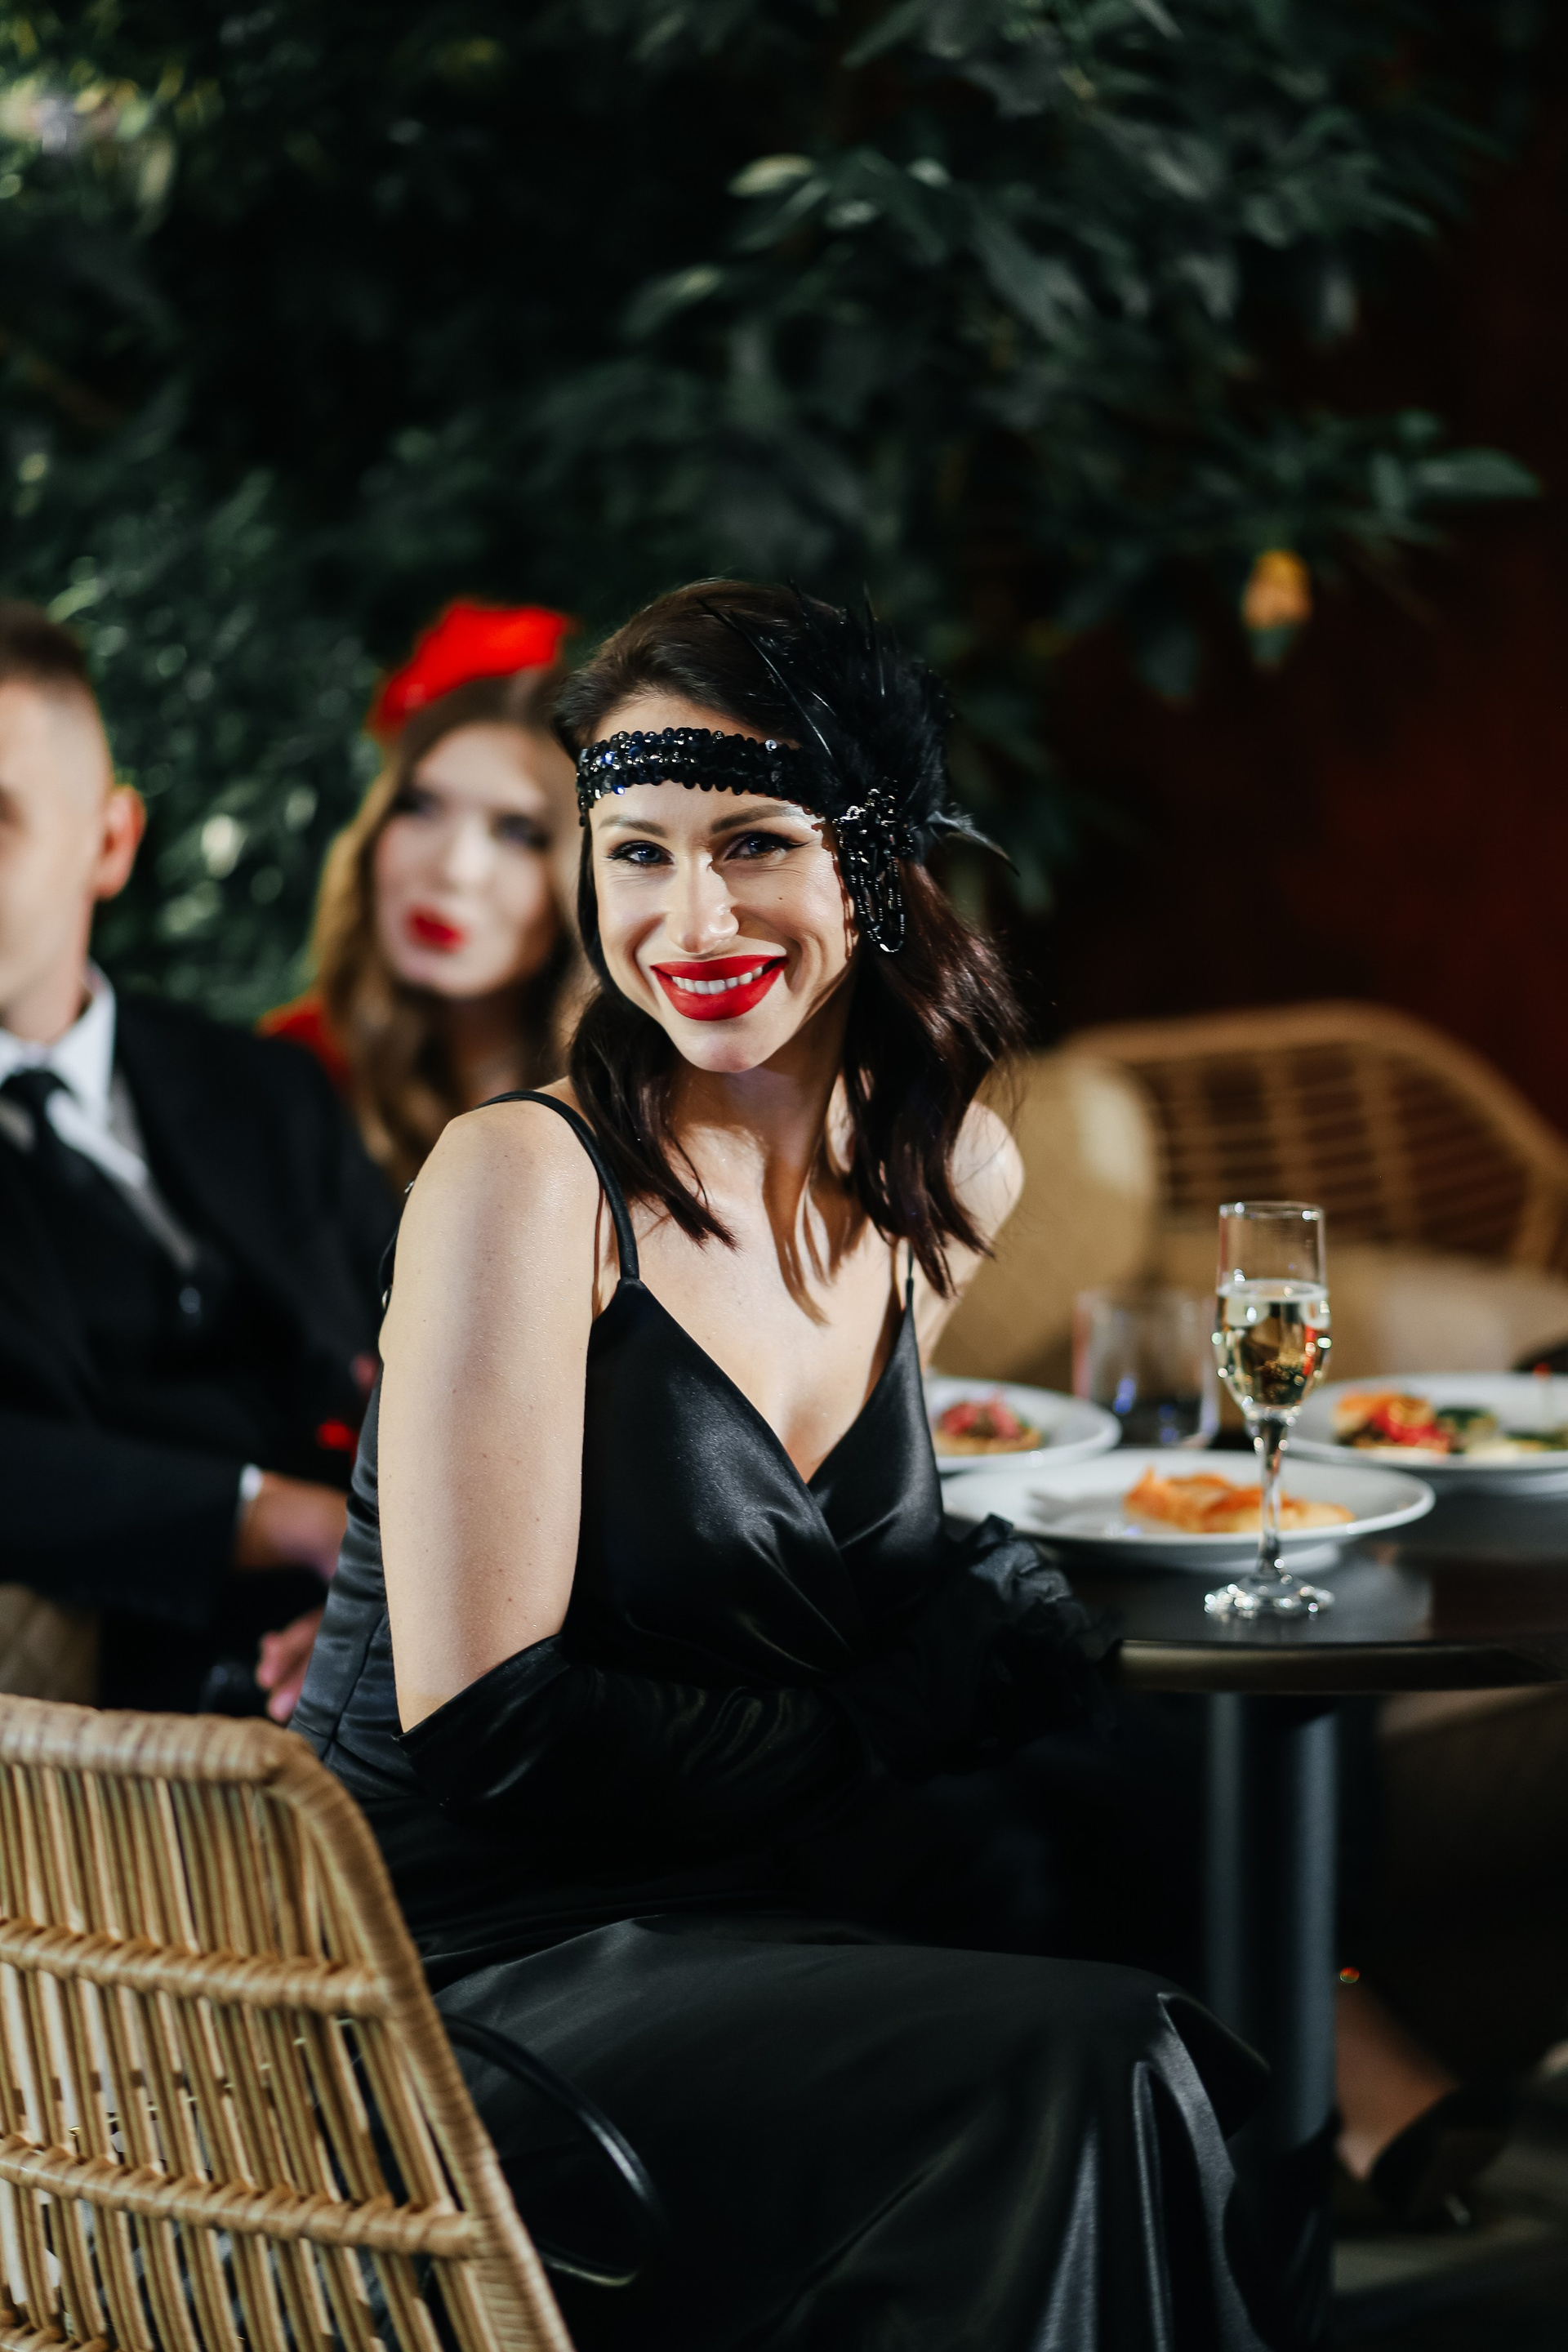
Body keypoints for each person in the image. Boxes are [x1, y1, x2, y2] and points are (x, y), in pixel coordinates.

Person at [296, 582, 1275, 2350]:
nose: (692, 920)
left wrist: (939, 1672)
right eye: (638, 854)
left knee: (1177, 1968)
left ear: (876, 859)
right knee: (1093, 2059)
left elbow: (805, 1599)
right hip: (453, 1985)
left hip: (748, 1925)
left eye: (753, 842)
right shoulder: (524, 1181)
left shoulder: (949, 1180)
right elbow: (490, 1728)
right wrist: (890, 1712)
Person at [0, 600, 396, 1718]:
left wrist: (394, 1587)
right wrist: (274, 1516)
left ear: (110, 843)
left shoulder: (263, 1086)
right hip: (151, 1695)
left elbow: (416, 1325)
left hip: (404, 1613)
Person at [263, 601, 582, 1190]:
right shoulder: (283, 1076)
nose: (454, 868)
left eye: (518, 832)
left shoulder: (655, 1100)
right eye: (421, 806)